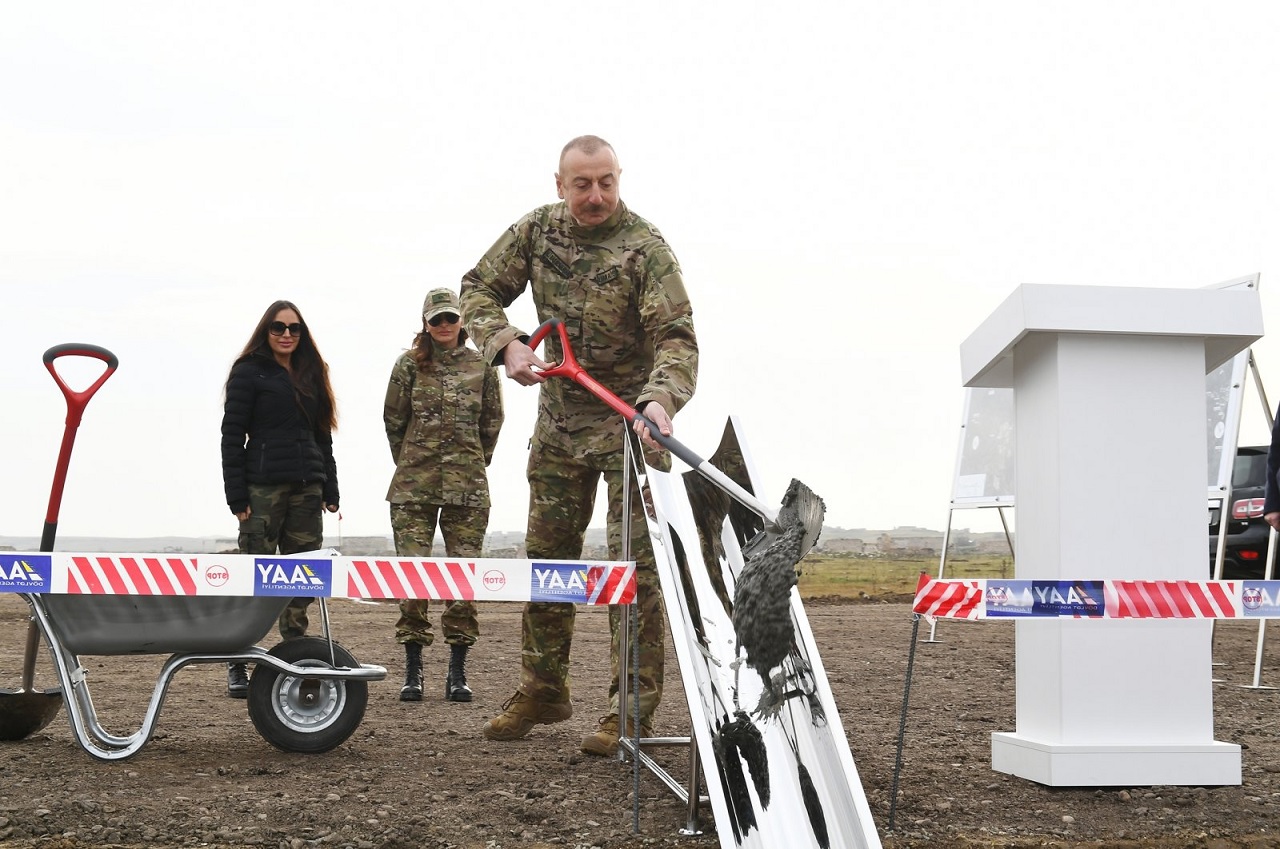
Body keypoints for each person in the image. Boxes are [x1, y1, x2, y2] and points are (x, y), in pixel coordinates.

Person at [460, 134, 697, 755]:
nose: (596, 196)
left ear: (620, 179)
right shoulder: (536, 233)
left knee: (633, 575)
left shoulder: (646, 248)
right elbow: (477, 290)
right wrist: (506, 342)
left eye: (607, 183)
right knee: (550, 566)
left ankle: (630, 710)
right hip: (561, 431)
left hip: (629, 431)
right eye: (582, 184)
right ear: (560, 184)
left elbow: (677, 338)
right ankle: (543, 690)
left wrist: (659, 400)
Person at [384, 287, 504, 703]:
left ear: (462, 322)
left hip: (467, 487)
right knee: (412, 576)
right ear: (425, 323)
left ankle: (457, 672)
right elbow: (394, 421)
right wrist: (413, 462)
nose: (444, 326)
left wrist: (470, 462)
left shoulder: (482, 366)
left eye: (450, 318)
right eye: (436, 319)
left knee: (463, 579)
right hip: (413, 487)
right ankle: (413, 670)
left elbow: (492, 423)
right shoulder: (408, 366)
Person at [220, 300, 340, 698]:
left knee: (302, 580)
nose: (286, 334)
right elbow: (232, 436)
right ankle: (237, 661)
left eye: (294, 328)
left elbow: (323, 434)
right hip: (261, 489)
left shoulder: (313, 371)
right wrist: (236, 494)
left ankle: (296, 657)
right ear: (265, 330)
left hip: (308, 490)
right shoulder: (248, 371)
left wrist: (330, 486)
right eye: (278, 327)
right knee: (252, 580)